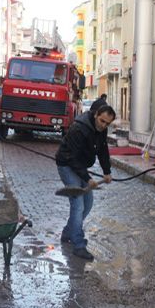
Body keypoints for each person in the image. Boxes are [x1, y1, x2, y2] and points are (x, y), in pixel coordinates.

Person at [55, 104, 115, 261]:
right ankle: (78, 245)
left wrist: (107, 172)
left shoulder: (101, 130)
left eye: (107, 123)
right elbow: (72, 158)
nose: (103, 125)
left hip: (80, 166)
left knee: (87, 203)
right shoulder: (79, 129)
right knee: (78, 204)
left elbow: (103, 150)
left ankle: (68, 233)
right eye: (102, 121)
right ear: (96, 115)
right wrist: (88, 179)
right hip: (67, 165)